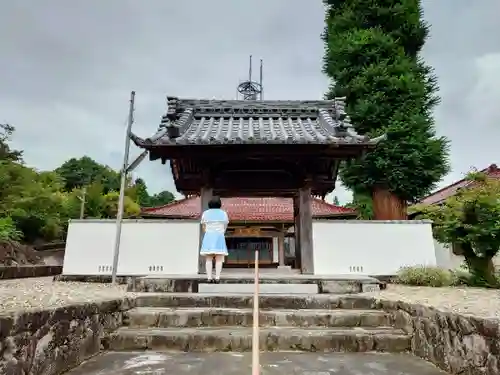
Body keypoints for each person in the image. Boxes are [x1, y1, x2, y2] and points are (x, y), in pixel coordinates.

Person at [200, 196, 229, 283]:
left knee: (208, 259)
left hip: (208, 236)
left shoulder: (205, 213)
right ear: (219, 204)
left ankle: (209, 278)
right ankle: (217, 278)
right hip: (219, 236)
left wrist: (208, 232)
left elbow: (203, 226)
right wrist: (221, 232)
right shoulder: (223, 213)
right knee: (219, 259)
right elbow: (225, 226)